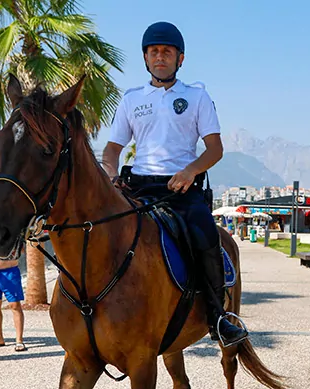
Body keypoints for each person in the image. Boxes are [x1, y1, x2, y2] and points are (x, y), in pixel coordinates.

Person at [99, 21, 247, 347]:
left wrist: (191, 171)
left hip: (181, 189)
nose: (160, 57)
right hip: (136, 187)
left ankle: (216, 316)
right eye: (154, 52)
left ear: (180, 58)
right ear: (145, 58)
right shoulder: (131, 99)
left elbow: (215, 149)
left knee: (206, 233)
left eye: (167, 52)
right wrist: (110, 175)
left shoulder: (197, 97)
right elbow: (112, 149)